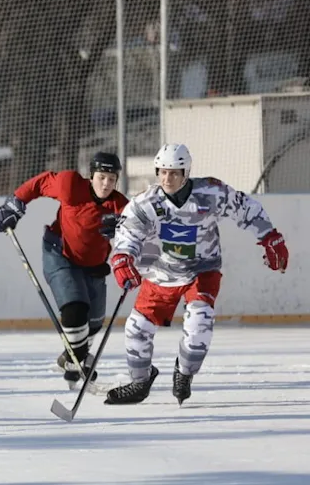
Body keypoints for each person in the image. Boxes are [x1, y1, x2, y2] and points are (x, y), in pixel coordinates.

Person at [105, 143, 288, 405]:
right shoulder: (146, 202)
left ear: (186, 173)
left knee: (199, 325)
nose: (167, 179)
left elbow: (245, 207)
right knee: (136, 329)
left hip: (201, 270)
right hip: (161, 272)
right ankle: (140, 383)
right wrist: (123, 258)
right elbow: (129, 232)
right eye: (162, 172)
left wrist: (269, 236)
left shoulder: (210, 193)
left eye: (174, 173)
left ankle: (183, 373)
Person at [0, 152, 129, 386]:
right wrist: (15, 203)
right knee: (74, 310)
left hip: (94, 265)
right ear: (91, 176)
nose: (106, 184)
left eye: (111, 179)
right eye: (101, 177)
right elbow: (40, 183)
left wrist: (124, 234)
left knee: (94, 323)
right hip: (60, 254)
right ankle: (78, 360)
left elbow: (138, 234)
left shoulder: (121, 206)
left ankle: (71, 359)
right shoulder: (71, 185)